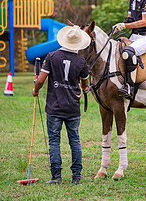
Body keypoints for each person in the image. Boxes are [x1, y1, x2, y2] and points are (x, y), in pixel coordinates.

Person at [32, 25, 91, 185]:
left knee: (54, 141)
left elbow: (41, 80)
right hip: (73, 108)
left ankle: (56, 177)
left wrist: (35, 90)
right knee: (74, 140)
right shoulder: (81, 61)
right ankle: (76, 177)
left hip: (54, 107)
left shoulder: (51, 56)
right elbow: (85, 84)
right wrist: (85, 88)